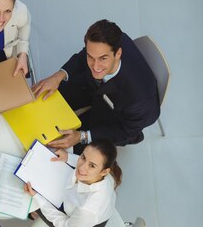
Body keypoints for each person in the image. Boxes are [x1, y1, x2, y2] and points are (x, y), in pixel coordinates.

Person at [32, 19, 160, 148]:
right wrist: (58, 76)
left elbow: (124, 132)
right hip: (98, 88)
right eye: (91, 57)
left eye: (103, 58)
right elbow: (83, 56)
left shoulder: (139, 100)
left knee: (67, 144)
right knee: (49, 98)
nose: (95, 66)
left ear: (118, 53)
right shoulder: (112, 40)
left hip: (124, 117)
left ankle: (136, 137)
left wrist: (82, 136)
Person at [24, 139, 122, 227]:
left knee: (32, 201)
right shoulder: (100, 172)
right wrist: (68, 157)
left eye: (92, 165)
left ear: (104, 172)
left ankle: (34, 214)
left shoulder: (87, 209)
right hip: (82, 211)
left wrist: (38, 199)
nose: (82, 168)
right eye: (83, 157)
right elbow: (87, 160)